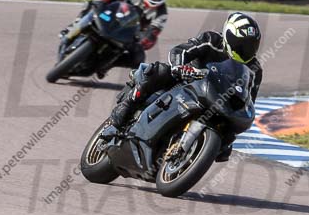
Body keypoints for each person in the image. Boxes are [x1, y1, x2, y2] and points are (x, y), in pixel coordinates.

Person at [104, 12, 263, 161]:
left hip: (217, 101)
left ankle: (188, 154)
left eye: (251, 46)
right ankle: (124, 112)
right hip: (186, 81)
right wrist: (179, 67)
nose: (246, 50)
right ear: (229, 36)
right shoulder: (211, 40)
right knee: (156, 72)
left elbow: (248, 99)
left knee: (226, 142)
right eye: (241, 44)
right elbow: (181, 50)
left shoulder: (254, 69)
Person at [62, 0, 171, 68]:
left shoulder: (162, 14)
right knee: (91, 5)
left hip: (130, 33)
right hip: (111, 14)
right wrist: (100, 1)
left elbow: (153, 34)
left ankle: (108, 64)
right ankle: (74, 26)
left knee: (138, 58)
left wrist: (142, 43)